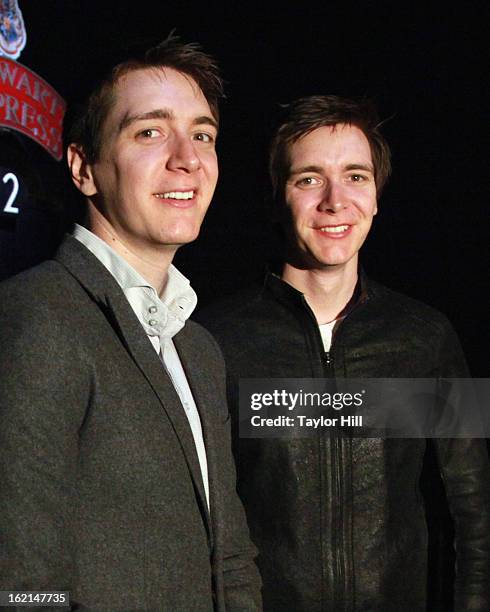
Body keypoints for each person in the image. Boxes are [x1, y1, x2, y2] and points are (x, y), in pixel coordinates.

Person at [198, 95, 490, 611]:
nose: (336, 201)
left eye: (356, 176)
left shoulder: (426, 338)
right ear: (277, 196)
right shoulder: (216, 340)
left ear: (377, 196)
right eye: (308, 178)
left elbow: (475, 507)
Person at [0, 36, 261, 611]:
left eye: (202, 134)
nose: (187, 158)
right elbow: (20, 580)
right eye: (150, 132)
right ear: (83, 168)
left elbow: (232, 559)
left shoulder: (198, 347)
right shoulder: (37, 316)